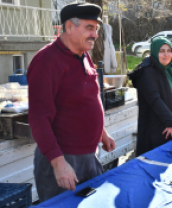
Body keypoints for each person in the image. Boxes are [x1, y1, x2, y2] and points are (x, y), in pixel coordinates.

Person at [27, 3, 115, 202]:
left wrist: (102, 133)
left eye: (96, 29)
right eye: (89, 28)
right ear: (68, 27)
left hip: (89, 156)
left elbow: (89, 96)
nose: (95, 34)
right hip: (63, 160)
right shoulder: (46, 60)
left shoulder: (84, 55)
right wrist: (58, 164)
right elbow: (39, 118)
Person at [128, 37, 172, 156]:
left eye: (169, 50)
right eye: (161, 51)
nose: (166, 54)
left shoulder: (170, 70)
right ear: (154, 51)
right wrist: (169, 121)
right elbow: (154, 100)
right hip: (157, 128)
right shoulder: (147, 72)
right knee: (157, 164)